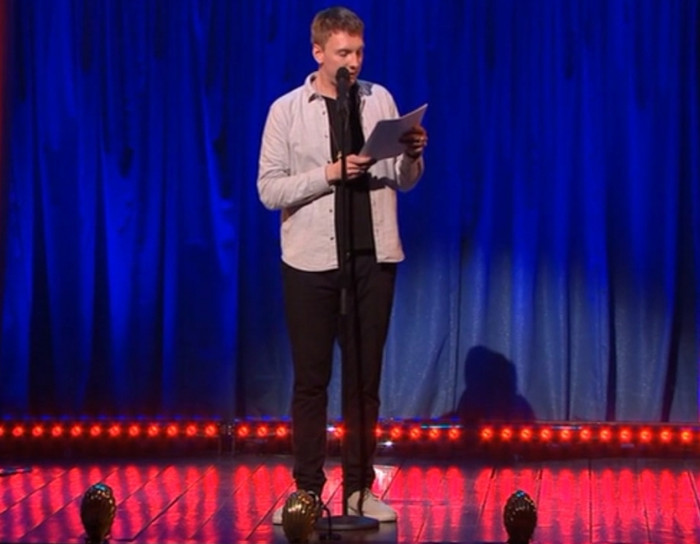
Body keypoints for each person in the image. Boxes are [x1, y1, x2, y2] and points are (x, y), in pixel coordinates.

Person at [257, 6, 427, 524]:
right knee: (311, 381)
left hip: (372, 259)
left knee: (363, 381)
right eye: (343, 52)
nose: (353, 62)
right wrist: (330, 173)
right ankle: (307, 490)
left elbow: (403, 180)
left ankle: (358, 489)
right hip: (310, 262)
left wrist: (412, 155)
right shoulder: (287, 110)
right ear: (318, 52)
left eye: (359, 52)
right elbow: (269, 189)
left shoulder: (379, 100)